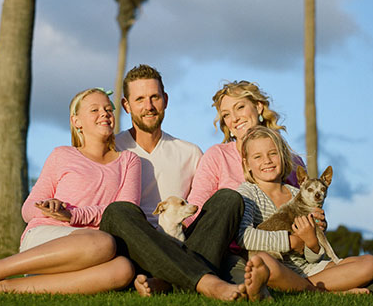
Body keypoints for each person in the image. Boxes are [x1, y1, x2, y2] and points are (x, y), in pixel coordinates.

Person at [97, 65, 268, 301]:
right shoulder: (111, 148)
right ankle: (207, 282)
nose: (148, 106)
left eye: (154, 97)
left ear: (165, 100)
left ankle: (166, 282)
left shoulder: (190, 152)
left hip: (181, 244)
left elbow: (200, 213)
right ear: (126, 106)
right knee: (118, 211)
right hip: (133, 248)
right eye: (140, 99)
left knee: (229, 197)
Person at [0, 88, 140, 295]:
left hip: (94, 252)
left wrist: (73, 215)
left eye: (107, 109)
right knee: (103, 243)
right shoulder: (62, 155)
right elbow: (28, 209)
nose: (104, 113)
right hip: (47, 243)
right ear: (76, 121)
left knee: (123, 270)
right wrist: (49, 207)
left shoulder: (129, 161)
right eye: (94, 110)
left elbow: (125, 212)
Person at [236, 126, 373, 293]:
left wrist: (311, 241)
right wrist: (292, 241)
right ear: (247, 164)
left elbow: (314, 257)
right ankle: (328, 291)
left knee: (370, 263)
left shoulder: (302, 194)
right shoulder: (247, 193)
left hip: (311, 271)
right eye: (258, 156)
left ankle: (305, 287)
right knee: (263, 262)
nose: (267, 160)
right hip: (276, 269)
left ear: (283, 156)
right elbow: (243, 237)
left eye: (273, 153)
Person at [187, 81, 307, 220]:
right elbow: (196, 207)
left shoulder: (292, 162)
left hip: (281, 238)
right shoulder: (218, 156)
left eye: (240, 107)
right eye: (226, 115)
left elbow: (309, 209)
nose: (235, 118)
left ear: (258, 106)